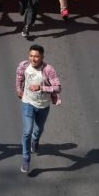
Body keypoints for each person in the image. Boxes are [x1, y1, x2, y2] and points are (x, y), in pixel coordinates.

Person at [16, 44, 61, 174]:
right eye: (31, 56)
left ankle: (35, 140)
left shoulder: (48, 70)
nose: (33, 59)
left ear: (42, 57)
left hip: (43, 105)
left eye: (36, 56)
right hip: (28, 102)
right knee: (26, 132)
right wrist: (19, 89)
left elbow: (58, 87)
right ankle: (26, 159)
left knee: (39, 128)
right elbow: (19, 78)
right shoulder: (24, 66)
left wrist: (41, 88)